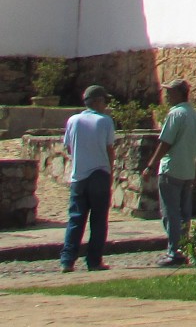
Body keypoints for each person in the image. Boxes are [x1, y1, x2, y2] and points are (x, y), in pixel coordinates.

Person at [144, 80, 196, 267]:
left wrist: (150, 165)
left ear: (179, 94)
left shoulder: (176, 114)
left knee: (170, 212)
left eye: (170, 92)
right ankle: (183, 247)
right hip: (187, 170)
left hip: (171, 169)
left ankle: (174, 251)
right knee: (184, 213)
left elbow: (165, 143)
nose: (167, 96)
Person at [59, 86, 115, 273]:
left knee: (75, 219)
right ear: (98, 101)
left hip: (79, 175)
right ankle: (94, 260)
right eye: (104, 101)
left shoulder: (73, 120)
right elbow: (109, 150)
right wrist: (111, 174)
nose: (106, 105)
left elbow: (68, 148)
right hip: (99, 173)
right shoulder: (105, 121)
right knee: (98, 220)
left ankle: (67, 260)